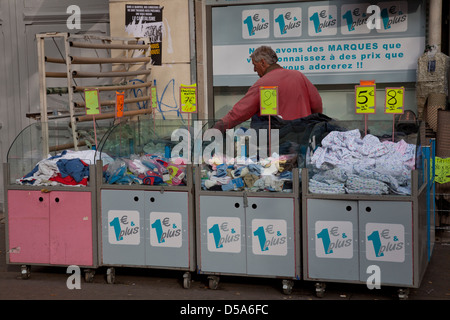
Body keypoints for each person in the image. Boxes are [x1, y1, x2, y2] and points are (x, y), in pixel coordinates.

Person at [214, 45, 323, 131]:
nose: (254, 70)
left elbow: (241, 112)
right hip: (303, 134)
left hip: (278, 141)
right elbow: (317, 103)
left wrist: (218, 127)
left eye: (254, 65)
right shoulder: (299, 76)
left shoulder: (263, 83)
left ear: (262, 62)